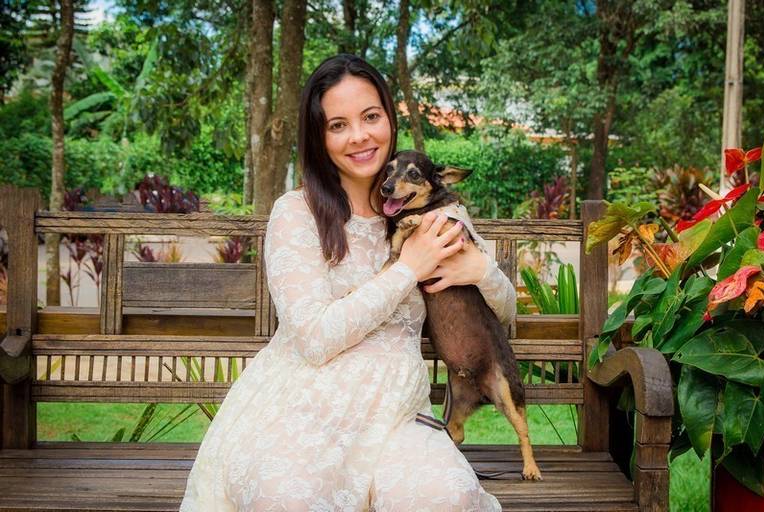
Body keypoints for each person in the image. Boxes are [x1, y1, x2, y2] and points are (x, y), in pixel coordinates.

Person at [180, 54, 516, 511]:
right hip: (305, 406)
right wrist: (407, 270)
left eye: (371, 117)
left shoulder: (429, 213)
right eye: (338, 125)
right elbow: (315, 339)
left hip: (397, 412)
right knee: (287, 499)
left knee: (446, 497)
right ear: (319, 137)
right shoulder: (296, 213)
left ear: (389, 119)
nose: (359, 135)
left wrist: (482, 272)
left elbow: (501, 318)